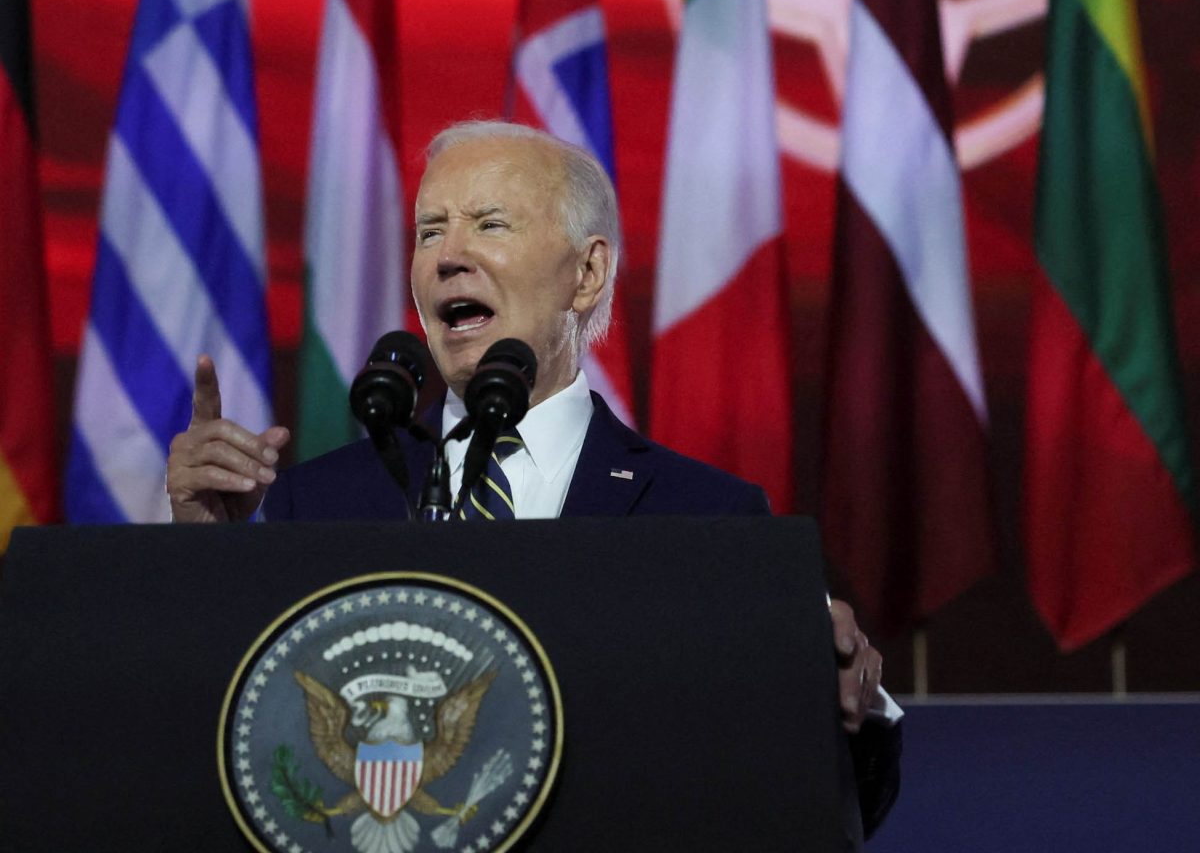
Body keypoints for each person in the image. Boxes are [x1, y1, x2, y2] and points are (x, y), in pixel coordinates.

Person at [166, 119, 901, 838]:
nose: (448, 256)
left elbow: (827, 803)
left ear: (587, 274)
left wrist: (840, 696)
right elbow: (241, 768)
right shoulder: (318, 505)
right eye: (429, 232)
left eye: (489, 224)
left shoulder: (706, 518)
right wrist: (208, 567)